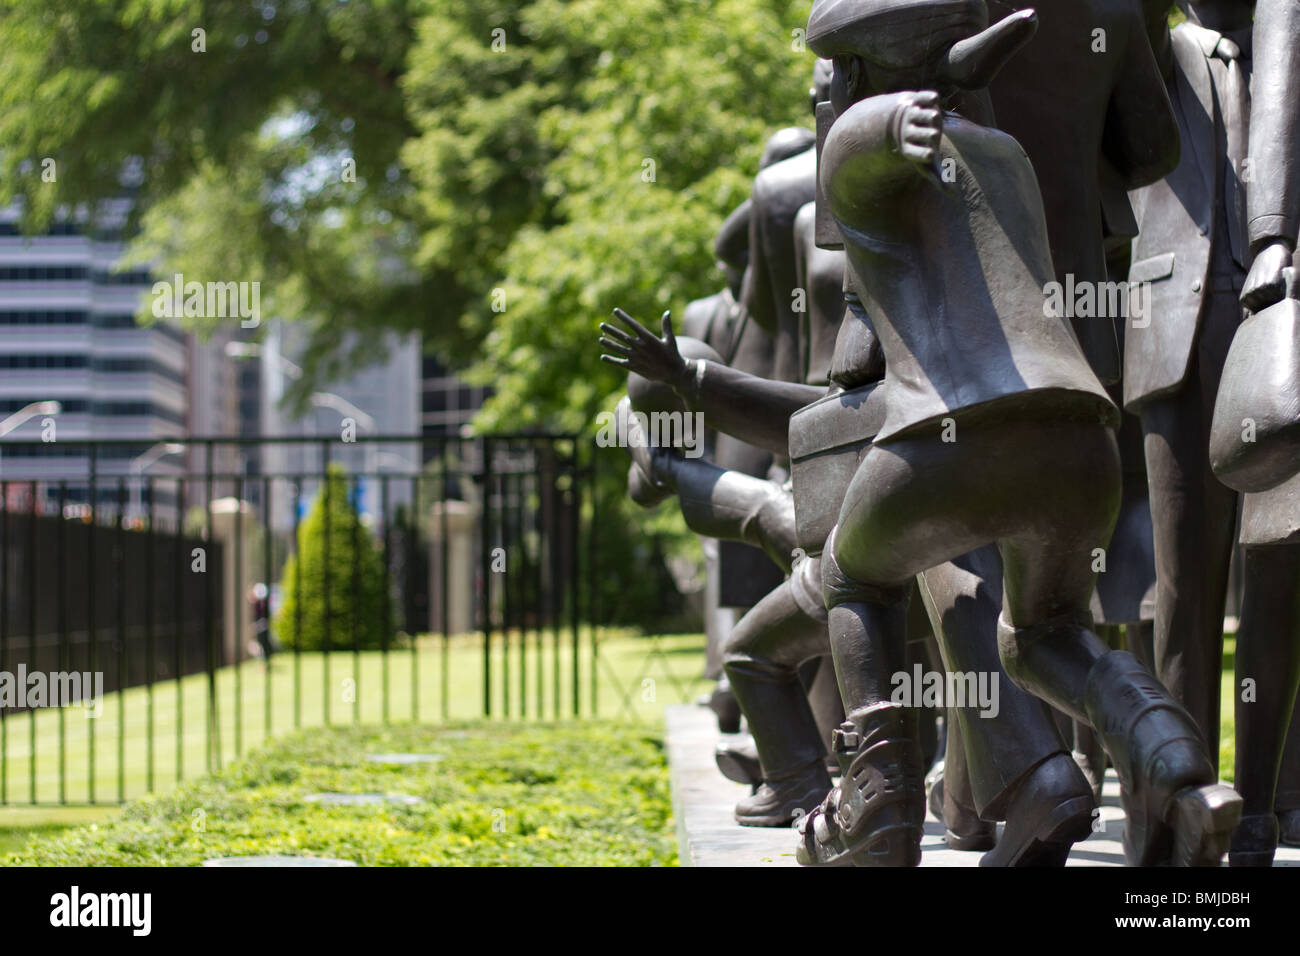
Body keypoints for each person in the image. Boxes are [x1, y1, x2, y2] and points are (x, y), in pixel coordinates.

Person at [794, 0, 1238, 867]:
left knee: (866, 570)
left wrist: (892, 120)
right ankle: (1175, 768)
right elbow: (1146, 151)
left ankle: (884, 803)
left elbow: (861, 146)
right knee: (1046, 628)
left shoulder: (860, 126)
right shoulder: (1014, 144)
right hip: (1076, 409)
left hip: (943, 405)